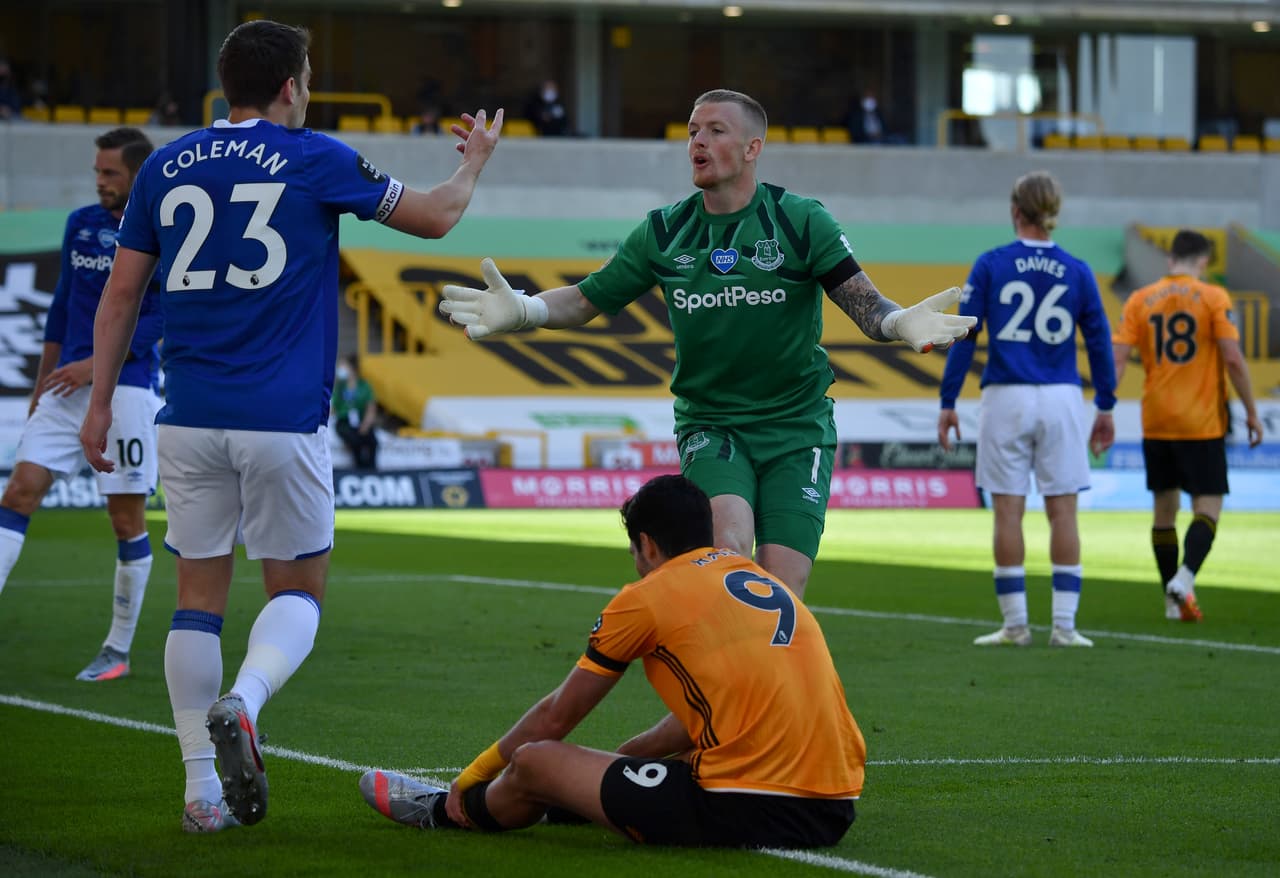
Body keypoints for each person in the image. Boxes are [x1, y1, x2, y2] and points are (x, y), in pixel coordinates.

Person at [79, 19, 503, 834]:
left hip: (187, 416)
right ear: (289, 88)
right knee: (299, 593)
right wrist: (473, 159)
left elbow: (121, 296)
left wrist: (100, 402)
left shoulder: (164, 167)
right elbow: (437, 217)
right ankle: (247, 698)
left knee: (196, 598)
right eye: (306, 78)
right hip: (281, 420)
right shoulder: (316, 159)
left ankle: (200, 793)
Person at [438, 88, 974, 599]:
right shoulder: (664, 233)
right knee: (729, 551)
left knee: (782, 591)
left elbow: (865, 305)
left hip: (797, 426)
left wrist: (899, 321)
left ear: (752, 148)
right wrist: (526, 309)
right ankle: (714, 693)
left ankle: (749, 693)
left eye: (716, 131)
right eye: (693, 131)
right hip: (713, 425)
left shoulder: (801, 221)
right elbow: (585, 300)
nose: (698, 141)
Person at [360, 474, 865, 848]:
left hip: (748, 806)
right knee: (655, 760)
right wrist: (628, 758)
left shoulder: (646, 596)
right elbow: (717, 708)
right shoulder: (755, 577)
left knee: (535, 759)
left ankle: (449, 814)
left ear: (646, 544)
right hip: (835, 806)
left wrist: (471, 775)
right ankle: (576, 802)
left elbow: (556, 716)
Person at [0, 127, 161, 682]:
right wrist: (40, 384)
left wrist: (96, 366)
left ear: (137, 175)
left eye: (110, 173)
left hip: (129, 390)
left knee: (125, 520)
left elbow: (161, 318)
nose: (100, 182)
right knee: (18, 491)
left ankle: (116, 650)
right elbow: (62, 305)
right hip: (65, 388)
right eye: (97, 172)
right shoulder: (82, 224)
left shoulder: (165, 230)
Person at [937, 170, 1117, 648]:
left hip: (1007, 396)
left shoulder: (993, 263)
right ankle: (1065, 626)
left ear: (1016, 211)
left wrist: (948, 400)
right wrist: (1107, 404)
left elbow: (964, 336)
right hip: (1060, 395)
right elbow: (1098, 340)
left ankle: (1016, 626)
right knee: (1064, 514)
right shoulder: (1078, 270)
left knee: (1008, 514)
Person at [1111, 230, 1263, 622]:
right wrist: (1250, 410)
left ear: (1169, 260)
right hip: (1202, 422)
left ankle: (1171, 602)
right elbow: (1231, 357)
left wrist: (1103, 409)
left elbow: (1118, 358)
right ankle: (1185, 576)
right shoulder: (1213, 297)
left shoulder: (1140, 299)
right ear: (1202, 262)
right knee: (1208, 506)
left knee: (1164, 511)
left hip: (1157, 419)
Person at [332, 353, 378, 469]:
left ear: (352, 368)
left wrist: (365, 426)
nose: (340, 369)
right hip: (344, 423)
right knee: (355, 441)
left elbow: (370, 408)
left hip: (361, 422)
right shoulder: (340, 387)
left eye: (343, 365)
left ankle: (372, 470)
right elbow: (333, 409)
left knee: (372, 442)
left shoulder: (364, 386)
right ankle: (360, 470)